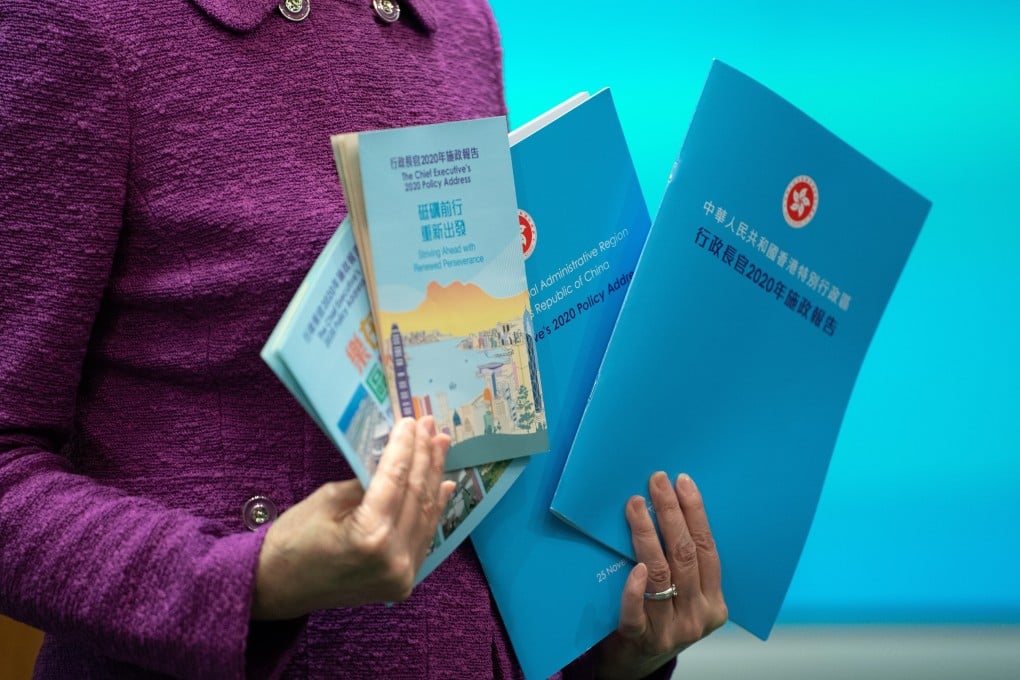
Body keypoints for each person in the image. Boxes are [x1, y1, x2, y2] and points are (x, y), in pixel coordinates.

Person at [0, 1, 728, 677]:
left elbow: (478, 475)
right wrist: (252, 577)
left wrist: (606, 646)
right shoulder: (77, 23)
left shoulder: (457, 25)